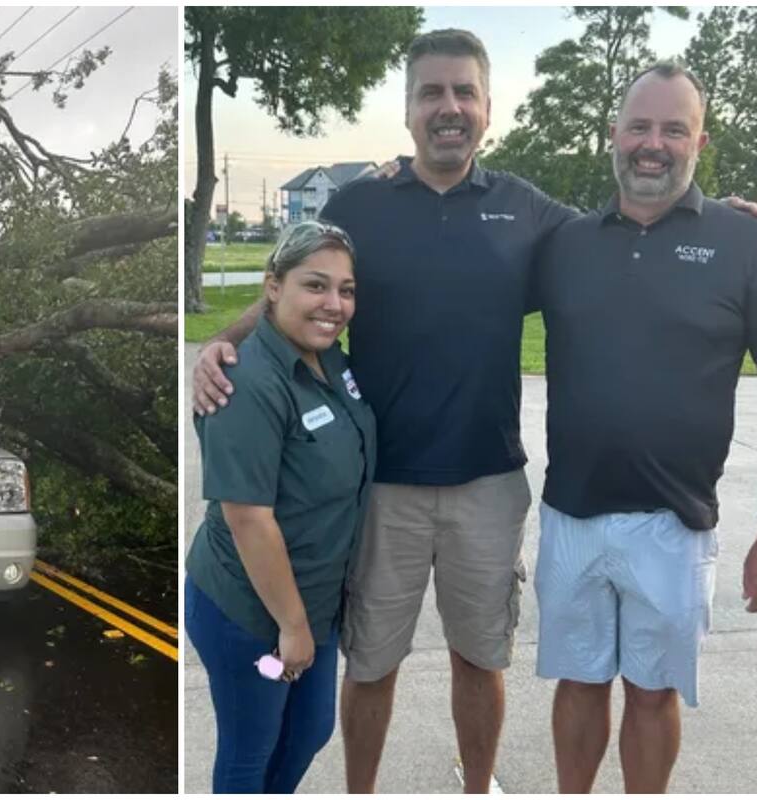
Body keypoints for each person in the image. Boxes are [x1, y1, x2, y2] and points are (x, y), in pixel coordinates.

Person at [193, 29, 576, 793]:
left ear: (488, 108)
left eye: (464, 92)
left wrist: (720, 223)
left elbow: (610, 248)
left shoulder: (524, 210)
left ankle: (477, 785)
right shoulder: (359, 204)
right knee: (371, 661)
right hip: (380, 489)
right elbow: (293, 287)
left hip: (487, 482)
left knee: (480, 656)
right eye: (432, 92)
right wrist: (218, 343)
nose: (449, 107)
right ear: (407, 109)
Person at [532, 62, 757, 794]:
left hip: (675, 523)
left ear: (700, 139)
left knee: (652, 692)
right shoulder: (565, 241)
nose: (653, 143)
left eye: (673, 128)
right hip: (571, 512)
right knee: (577, 682)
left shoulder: (748, 241)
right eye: (640, 125)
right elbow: (448, 278)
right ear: (613, 135)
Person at [186, 220, 377, 793]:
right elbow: (248, 517)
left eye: (345, 289)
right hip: (251, 612)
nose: (333, 304)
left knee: (309, 731)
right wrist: (291, 628)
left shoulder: (332, 363)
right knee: (250, 753)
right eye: (315, 286)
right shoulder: (247, 383)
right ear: (273, 286)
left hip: (310, 604)